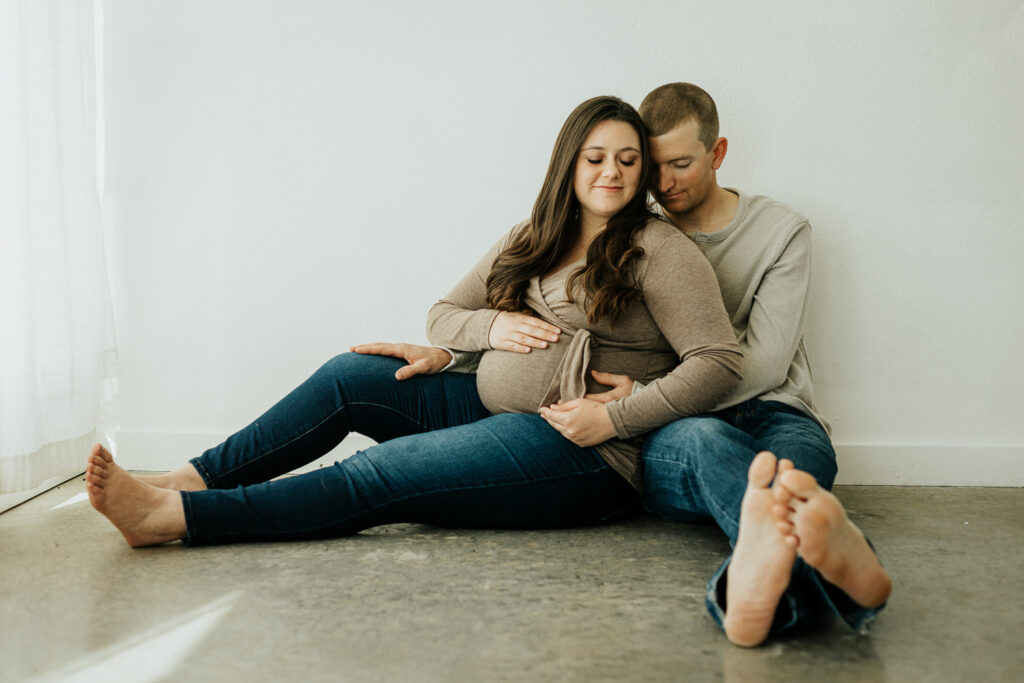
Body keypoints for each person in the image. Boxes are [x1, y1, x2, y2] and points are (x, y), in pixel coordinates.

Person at [355, 83, 891, 647]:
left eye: (680, 164)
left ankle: (794, 575)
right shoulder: (627, 227)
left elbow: (761, 364)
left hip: (767, 406)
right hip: (680, 421)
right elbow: (551, 311)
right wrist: (457, 347)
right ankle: (842, 583)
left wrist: (638, 399)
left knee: (793, 486)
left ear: (719, 153)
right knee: (727, 467)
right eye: (651, 166)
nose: (662, 183)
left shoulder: (780, 231)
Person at [85, 96, 743, 552]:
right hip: (483, 398)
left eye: (628, 160)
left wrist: (615, 419)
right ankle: (187, 478)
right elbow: (444, 314)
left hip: (579, 449)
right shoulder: (535, 234)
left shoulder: (659, 249)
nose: (612, 172)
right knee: (351, 376)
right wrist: (491, 333)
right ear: (569, 161)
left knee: (381, 473)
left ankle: (173, 517)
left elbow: (718, 361)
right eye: (597, 156)